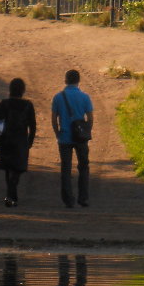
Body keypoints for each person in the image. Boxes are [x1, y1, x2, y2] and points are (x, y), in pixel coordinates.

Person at [0, 77, 37, 207]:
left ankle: (11, 195)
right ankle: (11, 194)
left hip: (5, 140)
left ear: (10, 89)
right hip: (20, 141)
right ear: (23, 90)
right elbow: (32, 125)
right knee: (17, 169)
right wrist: (30, 141)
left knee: (8, 168)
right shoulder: (28, 105)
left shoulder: (4, 103)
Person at [51, 69, 94, 208]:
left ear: (65, 80)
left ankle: (68, 200)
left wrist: (57, 133)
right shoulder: (85, 97)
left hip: (64, 137)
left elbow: (53, 119)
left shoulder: (58, 97)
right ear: (78, 81)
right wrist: (87, 131)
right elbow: (90, 117)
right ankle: (84, 198)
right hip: (81, 138)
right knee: (83, 167)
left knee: (65, 168)